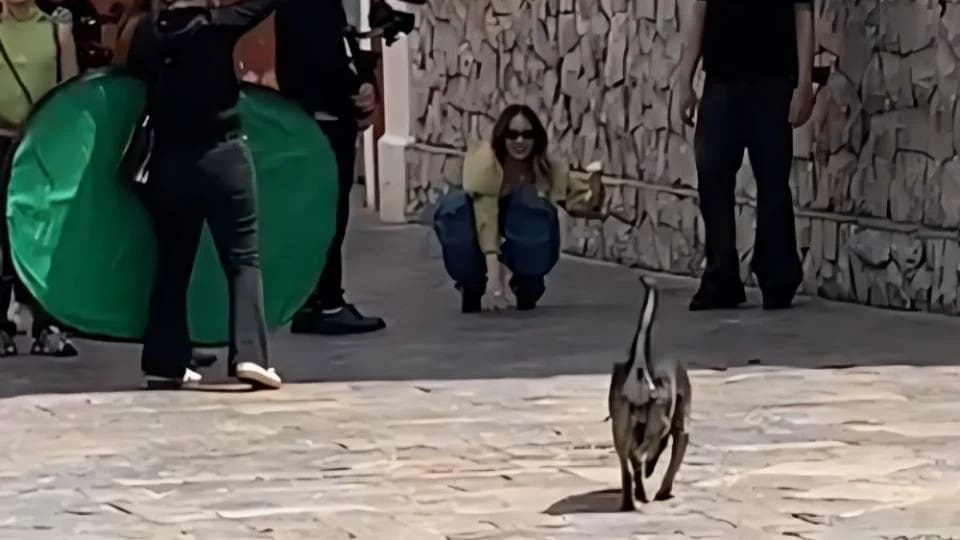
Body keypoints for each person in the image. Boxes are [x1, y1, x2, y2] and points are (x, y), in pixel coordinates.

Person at [119, 0, 282, 389]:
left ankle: (164, 361)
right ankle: (250, 356)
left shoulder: (145, 33)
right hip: (222, 156)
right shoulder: (216, 27)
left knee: (172, 262)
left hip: (167, 162)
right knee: (243, 259)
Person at [676, 0, 814, 311]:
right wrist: (685, 79)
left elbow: (803, 11)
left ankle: (777, 278)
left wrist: (805, 84)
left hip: (773, 78)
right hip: (720, 79)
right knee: (711, 170)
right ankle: (720, 279)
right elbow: (700, 7)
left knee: (773, 178)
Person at [274, 0, 386, 336]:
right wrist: (355, 95)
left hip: (319, 119)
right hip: (323, 122)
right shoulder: (312, 7)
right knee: (329, 215)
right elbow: (325, 60)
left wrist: (364, 81)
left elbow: (340, 51)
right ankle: (328, 302)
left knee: (320, 214)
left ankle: (312, 299)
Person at [435, 104, 603, 313]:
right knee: (455, 212)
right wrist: (494, 283)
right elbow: (486, 221)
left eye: (527, 135)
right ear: (502, 136)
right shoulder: (485, 162)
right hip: (477, 219)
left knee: (534, 207)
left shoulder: (543, 165)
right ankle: (471, 284)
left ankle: (528, 280)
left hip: (519, 222)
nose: (520, 141)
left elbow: (571, 194)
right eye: (512, 135)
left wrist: (595, 199)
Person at [0, 0, 79, 356]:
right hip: (1, 140)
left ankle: (48, 326)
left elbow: (71, 87)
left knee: (44, 236)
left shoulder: (55, 28)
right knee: (2, 238)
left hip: (42, 146)